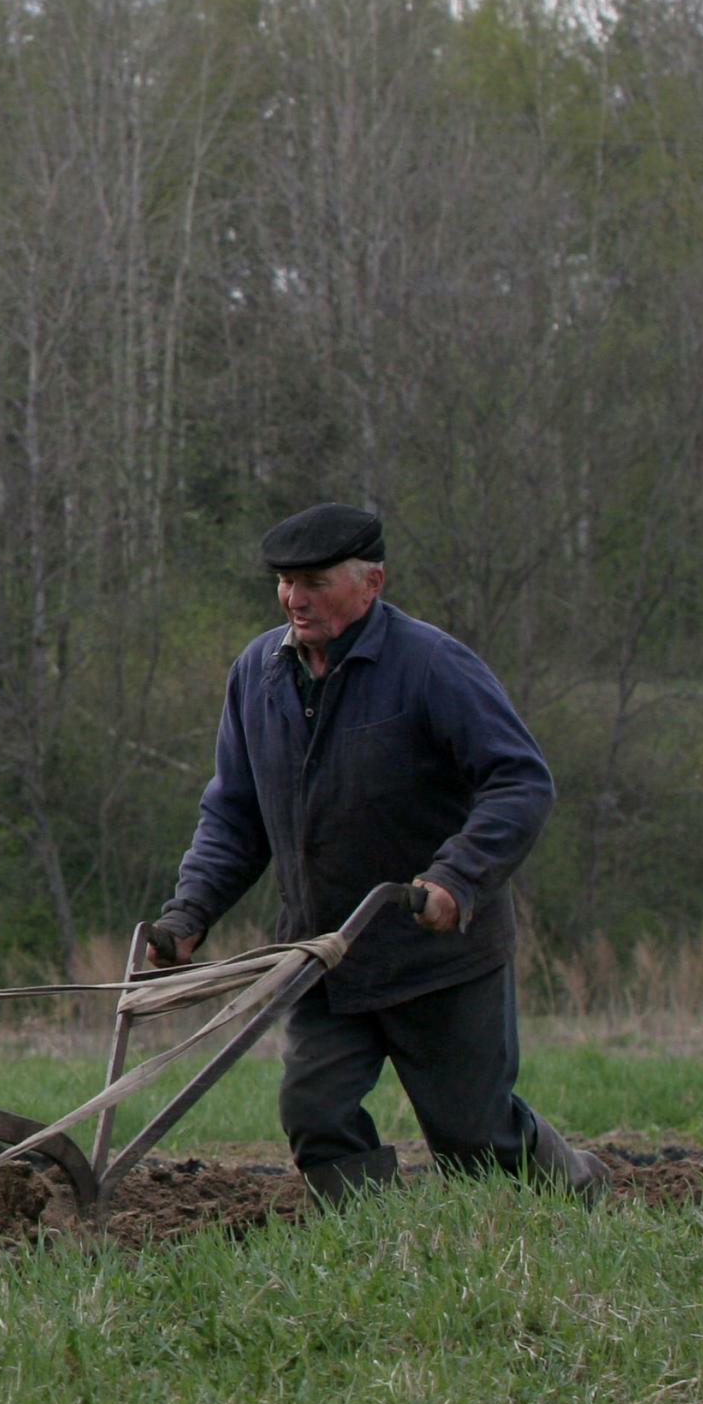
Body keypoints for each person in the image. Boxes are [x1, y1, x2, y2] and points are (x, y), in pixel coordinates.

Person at [152, 503, 606, 1205]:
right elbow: (235, 814)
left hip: (438, 955)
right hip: (326, 956)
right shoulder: (258, 674)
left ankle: (577, 1186)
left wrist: (459, 875)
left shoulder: (431, 664)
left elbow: (520, 780)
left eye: (314, 581)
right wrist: (189, 913)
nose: (294, 598)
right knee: (316, 1117)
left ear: (372, 582)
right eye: (284, 582)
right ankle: (377, 1238)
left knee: (475, 1137)